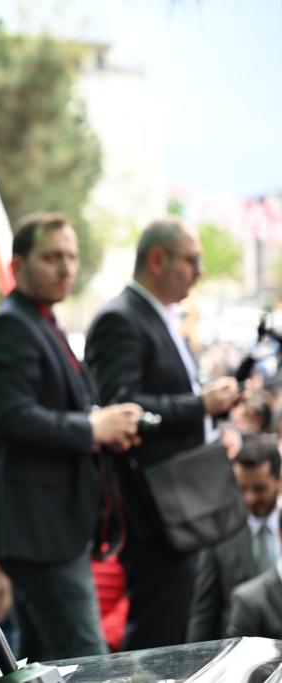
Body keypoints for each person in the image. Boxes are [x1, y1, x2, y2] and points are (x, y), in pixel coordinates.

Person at [0, 212, 142, 661]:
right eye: (52, 257)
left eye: (71, 256)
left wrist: (100, 424)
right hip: (40, 533)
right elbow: (13, 417)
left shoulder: (41, 320)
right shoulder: (12, 325)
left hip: (49, 529)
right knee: (88, 662)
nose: (66, 267)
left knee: (47, 662)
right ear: (17, 265)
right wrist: (93, 428)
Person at [85, 217, 241, 650]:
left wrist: (211, 415)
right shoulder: (121, 319)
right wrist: (201, 405)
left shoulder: (158, 316)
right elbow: (122, 409)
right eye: (192, 260)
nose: (199, 272)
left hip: (176, 504)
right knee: (159, 637)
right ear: (158, 260)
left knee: (176, 628)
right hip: (153, 510)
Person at [188, 434, 280, 641]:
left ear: (279, 481)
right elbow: (204, 612)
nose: (249, 498)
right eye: (242, 489)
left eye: (259, 489)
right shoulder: (219, 535)